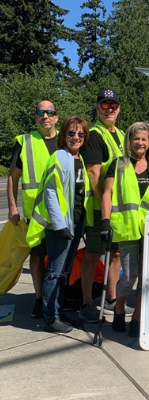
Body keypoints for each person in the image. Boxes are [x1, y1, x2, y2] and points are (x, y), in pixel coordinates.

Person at [99, 121, 149, 339]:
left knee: (146, 277)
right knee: (129, 276)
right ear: (129, 140)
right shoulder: (118, 164)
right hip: (127, 227)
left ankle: (138, 316)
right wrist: (105, 220)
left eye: (144, 139)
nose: (140, 142)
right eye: (136, 138)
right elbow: (107, 193)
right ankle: (119, 309)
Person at [82, 89, 126, 329]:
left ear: (119, 108)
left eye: (114, 105)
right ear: (97, 107)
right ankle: (87, 302)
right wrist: (104, 206)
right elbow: (93, 173)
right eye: (105, 105)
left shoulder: (121, 134)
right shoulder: (95, 135)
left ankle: (111, 298)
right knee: (92, 254)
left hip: (117, 209)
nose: (110, 109)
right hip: (100, 209)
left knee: (115, 254)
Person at [15, 100, 60, 321]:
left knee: (59, 258)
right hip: (35, 213)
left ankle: (57, 299)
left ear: (56, 117)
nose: (45, 116)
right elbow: (13, 177)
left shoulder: (66, 139)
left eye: (50, 112)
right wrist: (12, 207)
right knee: (37, 256)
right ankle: (39, 298)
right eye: (41, 112)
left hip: (61, 211)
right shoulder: (25, 141)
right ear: (35, 116)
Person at [56, 117, 93, 326]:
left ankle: (59, 309)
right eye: (71, 133)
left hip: (78, 221)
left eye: (81, 134)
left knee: (65, 270)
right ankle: (52, 316)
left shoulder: (81, 159)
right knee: (56, 271)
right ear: (64, 135)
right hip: (63, 223)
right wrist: (60, 224)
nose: (76, 137)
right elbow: (51, 194)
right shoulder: (61, 157)